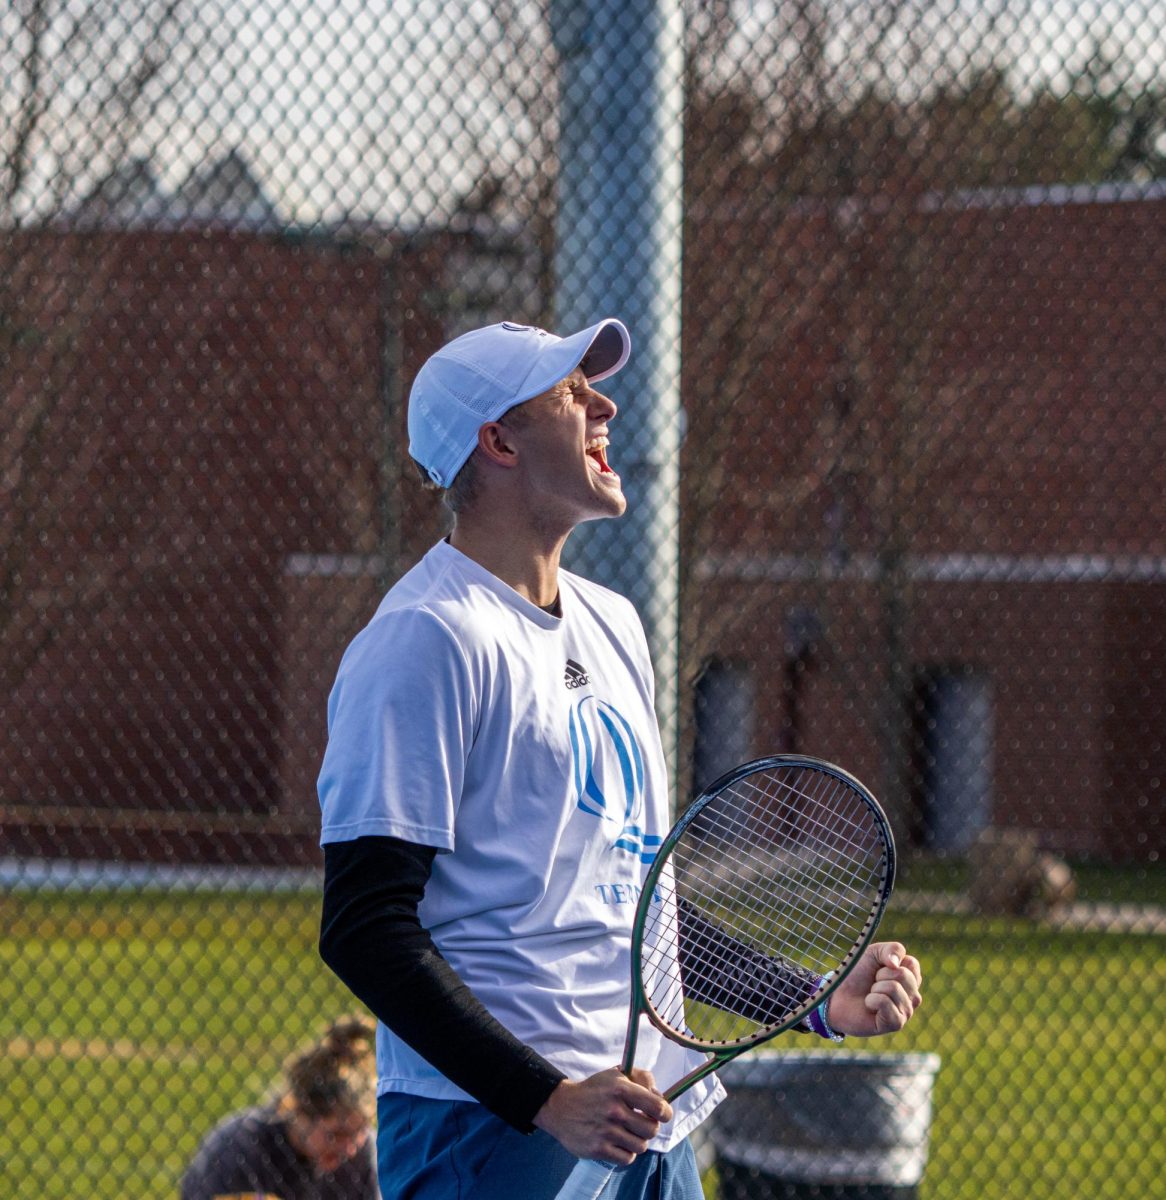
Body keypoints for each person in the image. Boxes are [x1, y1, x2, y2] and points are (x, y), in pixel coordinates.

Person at [316, 319, 923, 1200]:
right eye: (570, 392)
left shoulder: (614, 624)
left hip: (644, 1122)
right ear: (497, 442)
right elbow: (365, 928)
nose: (605, 405)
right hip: (485, 1134)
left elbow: (643, 909)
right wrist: (548, 1100)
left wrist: (815, 999)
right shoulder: (425, 639)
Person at [180, 1016, 379, 1200]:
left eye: (359, 1132)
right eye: (337, 1134)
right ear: (298, 1111)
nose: (350, 1148)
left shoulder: (364, 1153)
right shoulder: (240, 1149)